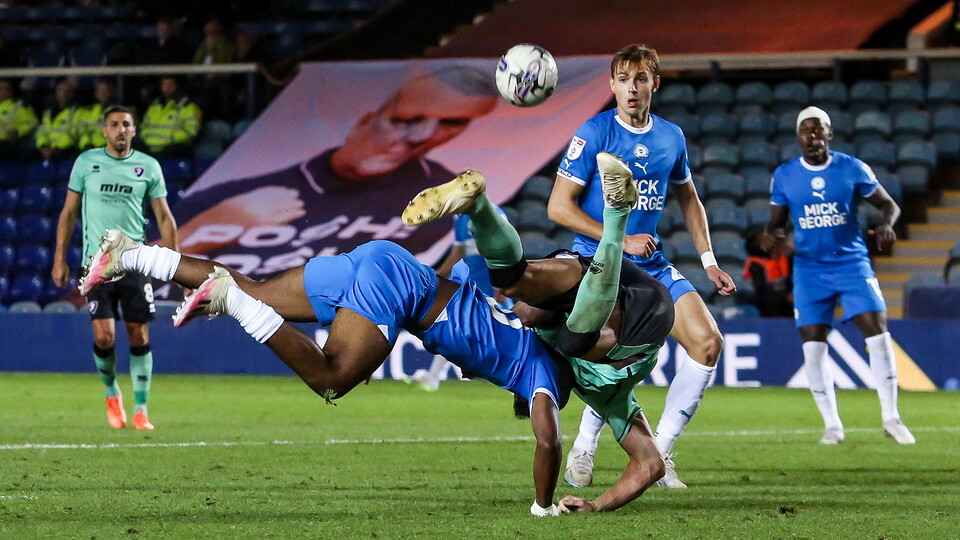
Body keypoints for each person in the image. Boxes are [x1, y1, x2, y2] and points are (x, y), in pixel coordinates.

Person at [79, 153, 673, 514]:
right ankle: (229, 302)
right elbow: (547, 443)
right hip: (400, 293)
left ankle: (133, 255)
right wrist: (545, 508)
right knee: (332, 376)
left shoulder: (508, 319)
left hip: (387, 260)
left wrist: (507, 306)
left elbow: (476, 272)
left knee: (258, 285)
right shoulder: (539, 371)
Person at [402, 155, 675, 512]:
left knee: (517, 287)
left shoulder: (538, 341)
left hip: (606, 278)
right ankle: (487, 207)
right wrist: (596, 506)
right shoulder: (610, 400)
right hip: (646, 315)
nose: (558, 393)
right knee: (554, 322)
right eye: (560, 398)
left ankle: (486, 207)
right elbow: (650, 465)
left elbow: (518, 315)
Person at [547, 44, 735, 489]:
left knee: (708, 344)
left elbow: (689, 198)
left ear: (655, 84)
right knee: (617, 355)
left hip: (650, 265)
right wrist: (620, 237)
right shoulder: (593, 133)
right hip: (598, 264)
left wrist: (708, 260)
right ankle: (585, 445)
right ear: (612, 85)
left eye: (641, 78)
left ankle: (661, 453)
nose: (633, 88)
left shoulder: (671, 137)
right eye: (624, 79)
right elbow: (558, 206)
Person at [171, 66, 499, 279]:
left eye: (450, 123)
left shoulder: (436, 197)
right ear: (364, 119)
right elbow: (152, 259)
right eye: (407, 118)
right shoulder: (234, 195)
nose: (421, 135)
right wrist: (216, 222)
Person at [762, 106, 915, 445]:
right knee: (813, 348)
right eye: (806, 131)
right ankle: (832, 426)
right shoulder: (785, 176)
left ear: (829, 134)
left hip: (851, 264)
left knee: (878, 333)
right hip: (809, 270)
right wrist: (770, 238)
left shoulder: (852, 168)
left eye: (819, 130)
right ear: (798, 136)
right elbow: (772, 227)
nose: (812, 136)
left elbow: (890, 205)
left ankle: (891, 418)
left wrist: (886, 225)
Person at [52, 106, 179, 430]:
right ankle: (112, 394)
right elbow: (68, 213)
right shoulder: (86, 163)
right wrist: (59, 258)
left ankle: (141, 410)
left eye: (126, 124)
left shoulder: (148, 167)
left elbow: (164, 216)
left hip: (134, 261)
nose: (120, 129)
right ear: (104, 131)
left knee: (138, 333)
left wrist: (177, 267)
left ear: (134, 130)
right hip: (96, 264)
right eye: (114, 124)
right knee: (105, 337)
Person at [409, 206, 513, 391]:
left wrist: (503, 283)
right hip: (470, 284)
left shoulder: (494, 214)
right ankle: (433, 377)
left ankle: (526, 372)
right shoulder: (461, 219)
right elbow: (458, 253)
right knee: (453, 328)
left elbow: (505, 248)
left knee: (510, 331)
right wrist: (437, 277)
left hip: (493, 285)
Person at [139, 75, 202, 157]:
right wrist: (146, 137)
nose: (167, 88)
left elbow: (191, 131)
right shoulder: (154, 106)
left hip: (172, 148)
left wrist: (171, 138)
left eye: (170, 85)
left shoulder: (189, 107)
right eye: (164, 85)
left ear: (177, 86)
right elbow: (144, 126)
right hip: (148, 148)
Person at [743, 227, 793, 317]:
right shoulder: (755, 264)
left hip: (787, 304)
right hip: (767, 305)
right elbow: (760, 290)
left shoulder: (786, 259)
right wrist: (785, 297)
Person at [36, 79, 82, 160]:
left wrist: (56, 148)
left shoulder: (78, 111)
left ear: (72, 93)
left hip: (65, 150)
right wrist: (43, 146)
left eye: (67, 91)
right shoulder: (48, 112)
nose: (63, 93)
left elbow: (74, 134)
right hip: (47, 150)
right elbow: (42, 132)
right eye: (60, 90)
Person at [0, 78, 38, 159]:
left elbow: (32, 123)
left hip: (7, 143)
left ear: (10, 91)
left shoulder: (19, 106)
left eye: (3, 88)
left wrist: (18, 132)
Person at [77, 79, 118, 151]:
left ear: (112, 92)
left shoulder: (119, 111)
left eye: (106, 91)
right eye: (100, 91)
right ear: (96, 93)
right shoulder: (89, 111)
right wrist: (86, 144)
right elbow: (83, 131)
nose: (103, 94)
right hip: (88, 149)